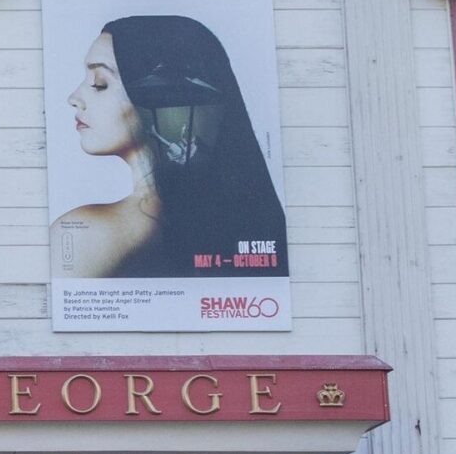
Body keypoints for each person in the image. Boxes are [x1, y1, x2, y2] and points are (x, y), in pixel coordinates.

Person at [52, 15, 288, 279]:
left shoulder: (86, 234)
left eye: (100, 84)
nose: (74, 98)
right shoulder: (240, 222)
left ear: (166, 99)